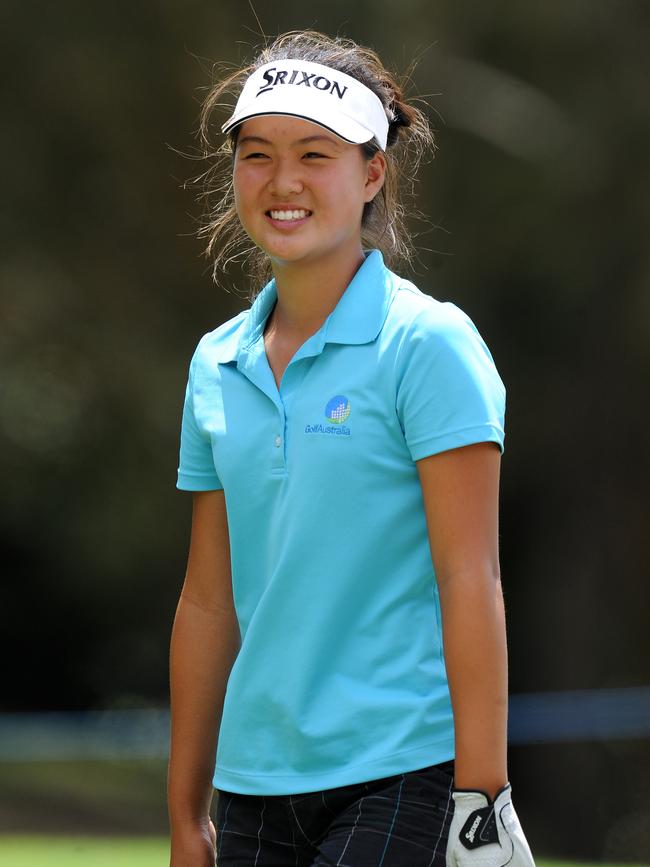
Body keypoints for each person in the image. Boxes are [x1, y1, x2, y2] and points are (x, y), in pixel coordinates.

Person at [167, 29, 536, 867]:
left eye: (314, 154)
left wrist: (482, 800)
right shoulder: (214, 363)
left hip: (402, 768)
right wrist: (186, 811)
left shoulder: (430, 345)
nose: (283, 181)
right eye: (257, 154)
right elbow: (207, 601)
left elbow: (469, 577)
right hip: (254, 780)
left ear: (372, 173)